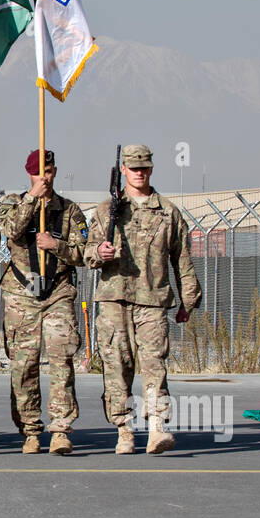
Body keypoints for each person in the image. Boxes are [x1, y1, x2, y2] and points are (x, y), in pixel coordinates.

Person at [85, 144, 200, 455]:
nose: (139, 173)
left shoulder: (168, 213)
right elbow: (87, 252)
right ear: (123, 169)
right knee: (116, 367)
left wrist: (188, 299)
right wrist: (99, 252)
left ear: (151, 168)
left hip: (152, 299)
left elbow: (182, 258)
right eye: (134, 168)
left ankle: (157, 427)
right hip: (114, 300)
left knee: (154, 366)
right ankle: (124, 430)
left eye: (144, 167)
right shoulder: (107, 210)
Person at [0, 150, 88, 455]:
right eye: (38, 173)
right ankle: (30, 429)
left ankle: (61, 428)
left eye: (48, 172)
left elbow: (82, 253)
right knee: (24, 364)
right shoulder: (12, 202)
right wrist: (31, 200)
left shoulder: (70, 211)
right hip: (22, 295)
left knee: (62, 359)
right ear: (29, 174)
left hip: (57, 292)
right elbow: (10, 231)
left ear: (55, 171)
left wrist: (56, 245)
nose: (44, 178)